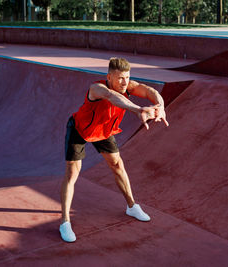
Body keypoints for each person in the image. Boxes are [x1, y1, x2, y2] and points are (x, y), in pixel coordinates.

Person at [60, 57, 169, 242]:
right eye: (120, 78)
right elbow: (112, 97)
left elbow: (149, 91)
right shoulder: (97, 88)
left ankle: (131, 206)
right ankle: (65, 222)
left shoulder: (128, 85)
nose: (124, 82)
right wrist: (138, 110)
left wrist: (161, 105)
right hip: (80, 130)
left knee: (118, 165)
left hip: (104, 131)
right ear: (109, 77)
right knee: (73, 173)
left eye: (127, 77)